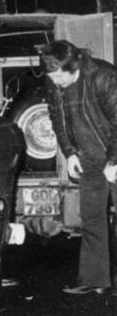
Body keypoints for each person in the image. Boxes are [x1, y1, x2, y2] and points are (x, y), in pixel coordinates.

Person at [39, 40, 117, 294]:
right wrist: (70, 153)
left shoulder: (103, 77)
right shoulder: (55, 80)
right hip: (89, 158)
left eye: (59, 76)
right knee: (92, 218)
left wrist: (114, 161)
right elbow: (56, 117)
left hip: (114, 153)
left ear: (75, 66)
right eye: (51, 77)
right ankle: (95, 280)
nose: (56, 82)